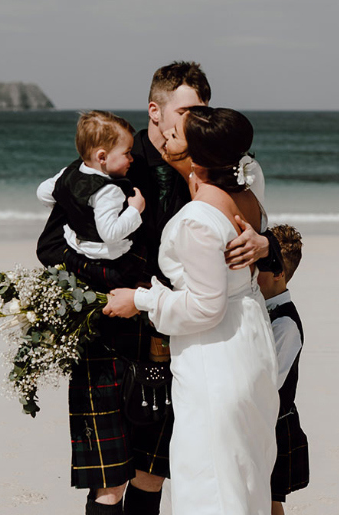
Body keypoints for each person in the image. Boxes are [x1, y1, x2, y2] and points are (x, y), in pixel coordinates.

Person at [35, 62, 275, 515]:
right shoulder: (110, 160)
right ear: (156, 111)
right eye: (185, 111)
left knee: (156, 470)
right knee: (109, 480)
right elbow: (50, 246)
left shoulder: (219, 165)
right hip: (111, 331)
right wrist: (121, 286)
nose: (194, 123)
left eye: (202, 113)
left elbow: (259, 229)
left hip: (179, 338)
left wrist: (264, 244)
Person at [104, 107, 280, 515]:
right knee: (242, 474)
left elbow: (205, 307)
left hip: (215, 356)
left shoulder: (197, 220)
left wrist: (140, 299)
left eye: (176, 132)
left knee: (211, 481)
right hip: (250, 342)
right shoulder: (247, 195)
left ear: (196, 157)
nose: (165, 134)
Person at [36, 110, 149, 289]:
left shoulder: (70, 171)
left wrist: (74, 206)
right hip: (107, 261)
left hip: (75, 249)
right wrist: (135, 209)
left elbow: (43, 192)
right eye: (126, 153)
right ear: (102, 157)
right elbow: (110, 234)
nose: (131, 158)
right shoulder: (109, 190)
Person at [257, 224, 309, 515]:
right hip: (265, 419)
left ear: (278, 273)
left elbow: (269, 381)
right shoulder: (262, 309)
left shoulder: (285, 324)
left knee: (269, 501)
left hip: (276, 424)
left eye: (259, 266)